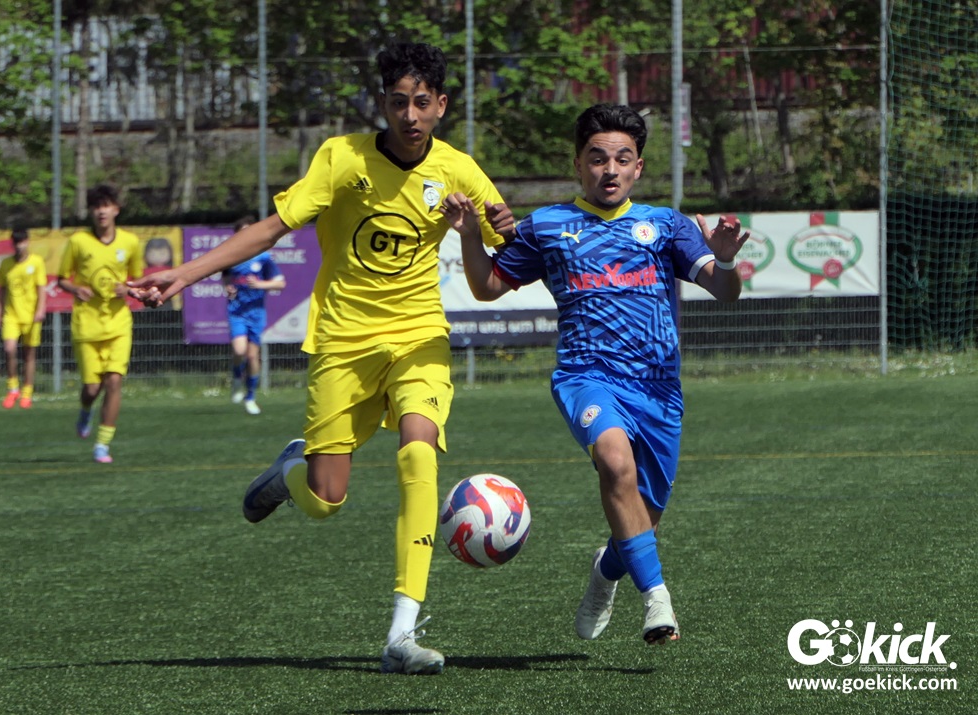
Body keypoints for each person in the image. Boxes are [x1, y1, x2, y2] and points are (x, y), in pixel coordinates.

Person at [128, 42, 515, 675]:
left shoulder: (460, 171)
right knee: (326, 498)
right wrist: (184, 275)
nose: (410, 115)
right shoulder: (341, 158)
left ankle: (402, 633)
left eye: (422, 102)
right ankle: (288, 472)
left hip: (419, 336)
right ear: (382, 103)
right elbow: (270, 230)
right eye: (398, 102)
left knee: (419, 453)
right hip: (343, 342)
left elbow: (507, 255)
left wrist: (496, 226)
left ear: (441, 106)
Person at [442, 103, 749, 647]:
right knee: (613, 461)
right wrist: (469, 236)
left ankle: (604, 573)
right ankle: (657, 601)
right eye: (598, 158)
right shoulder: (547, 227)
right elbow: (487, 287)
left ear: (638, 168)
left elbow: (724, 292)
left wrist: (724, 261)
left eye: (622, 159)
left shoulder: (667, 225)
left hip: (659, 390)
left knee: (643, 522)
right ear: (578, 165)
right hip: (587, 376)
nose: (610, 169)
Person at [58, 184, 144, 463]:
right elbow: (62, 279)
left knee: (114, 381)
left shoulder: (130, 242)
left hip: (118, 324)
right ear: (91, 212)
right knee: (92, 389)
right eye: (96, 207)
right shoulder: (78, 242)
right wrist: (75, 289)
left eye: (106, 206)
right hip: (86, 325)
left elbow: (137, 280)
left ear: (116, 209)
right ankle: (85, 410)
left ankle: (102, 444)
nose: (101, 211)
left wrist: (127, 289)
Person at [221, 215, 286, 415]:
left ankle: (250, 397)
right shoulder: (231, 257)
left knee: (252, 355)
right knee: (239, 350)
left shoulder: (264, 258)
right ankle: (237, 378)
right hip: (237, 311)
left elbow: (280, 283)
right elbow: (225, 277)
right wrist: (228, 288)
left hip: (256, 312)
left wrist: (260, 284)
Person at [0, 228, 47, 409]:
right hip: (12, 315)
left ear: (27, 242)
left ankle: (27, 392)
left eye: (22, 241)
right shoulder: (6, 264)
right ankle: (13, 388)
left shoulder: (36, 262)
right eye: (16, 242)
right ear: (13, 244)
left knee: (29, 354)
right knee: (9, 349)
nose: (19, 246)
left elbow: (41, 287)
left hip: (31, 316)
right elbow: (2, 289)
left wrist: (40, 309)